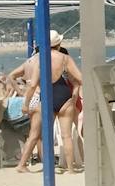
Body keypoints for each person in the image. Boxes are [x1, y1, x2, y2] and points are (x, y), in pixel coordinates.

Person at [17, 30, 84, 174]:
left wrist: (26, 104)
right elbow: (80, 78)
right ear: (59, 44)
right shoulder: (65, 58)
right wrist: (75, 94)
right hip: (64, 96)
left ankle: (49, 168)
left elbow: (33, 85)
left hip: (47, 96)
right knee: (66, 136)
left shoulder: (41, 59)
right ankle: (71, 169)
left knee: (46, 135)